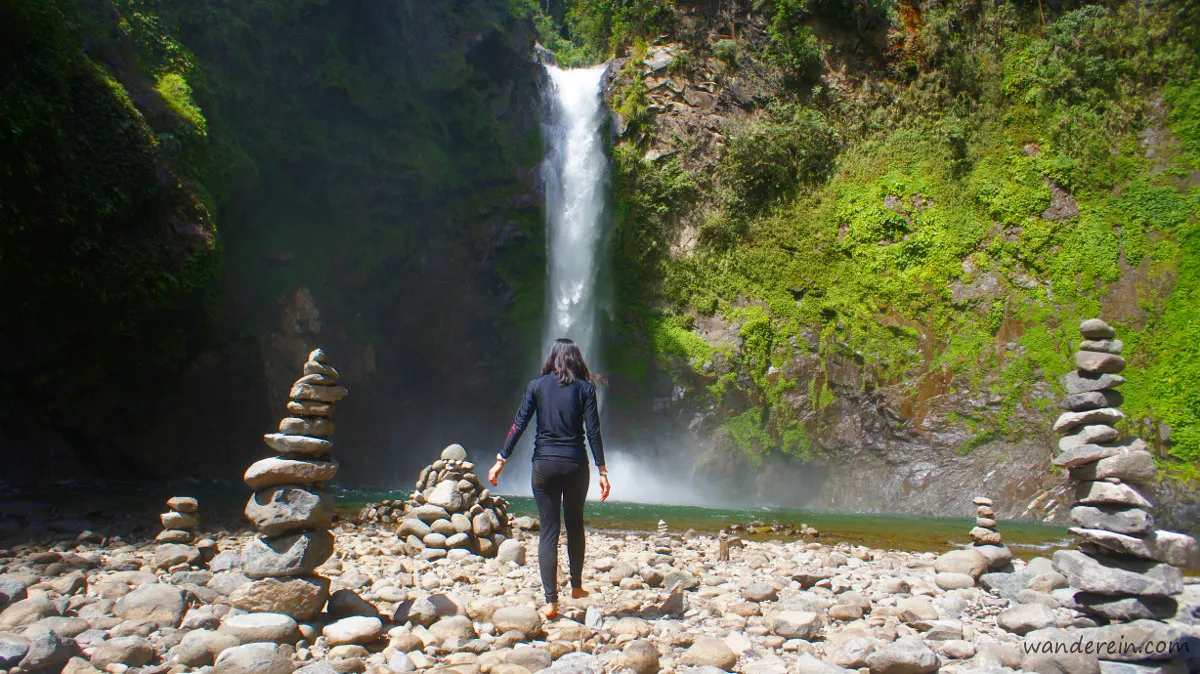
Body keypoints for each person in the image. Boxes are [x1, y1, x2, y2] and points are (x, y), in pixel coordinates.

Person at [488, 338, 611, 619]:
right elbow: (593, 432)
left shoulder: (536, 386)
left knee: (548, 532)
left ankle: (550, 601)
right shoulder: (586, 388)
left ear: (552, 359)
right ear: (576, 360)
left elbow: (519, 423)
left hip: (543, 466)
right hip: (575, 465)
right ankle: (577, 587)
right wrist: (602, 470)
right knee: (575, 525)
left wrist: (500, 461)